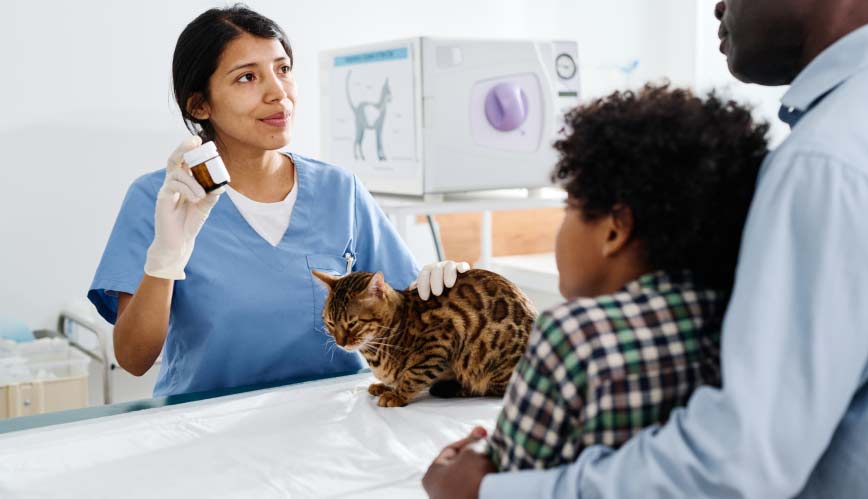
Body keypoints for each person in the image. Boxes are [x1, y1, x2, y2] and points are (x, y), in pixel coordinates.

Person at [423, 0, 868, 497]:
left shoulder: (823, 162)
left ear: (615, 228)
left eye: (568, 204)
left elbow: (739, 462)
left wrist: (481, 487)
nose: (718, 5)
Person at [88, 5, 465, 397]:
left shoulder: (340, 191)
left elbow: (406, 313)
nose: (278, 93)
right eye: (248, 77)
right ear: (200, 104)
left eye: (283, 69)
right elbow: (133, 360)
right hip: (207, 433)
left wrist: (451, 289)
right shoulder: (161, 199)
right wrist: (166, 257)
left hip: (337, 423)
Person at [485, 84, 768, 472]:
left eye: (568, 206)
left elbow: (503, 476)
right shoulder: (735, 322)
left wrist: (472, 462)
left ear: (615, 230)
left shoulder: (573, 336)